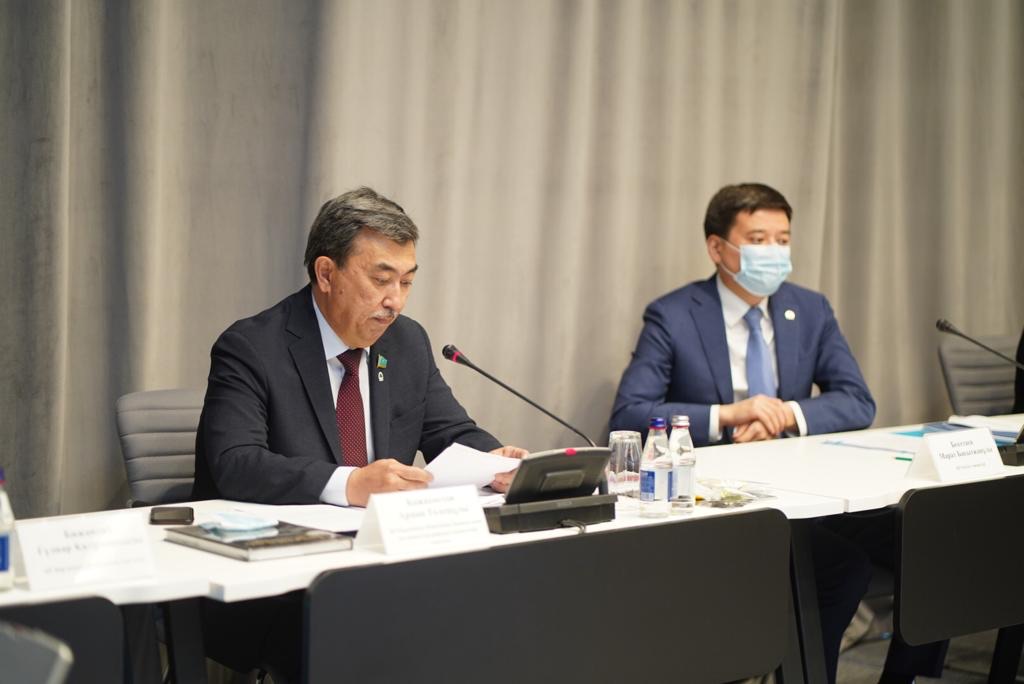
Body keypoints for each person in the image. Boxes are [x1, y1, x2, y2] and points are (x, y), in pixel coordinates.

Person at [609, 183, 940, 684]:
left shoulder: (809, 309)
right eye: (758, 239)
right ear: (717, 247)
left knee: (932, 542)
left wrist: (783, 414)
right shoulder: (673, 315)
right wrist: (729, 414)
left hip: (809, 489)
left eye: (783, 240)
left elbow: (857, 400)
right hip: (722, 502)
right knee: (841, 569)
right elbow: (631, 413)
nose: (774, 252)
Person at [192, 187, 524, 681]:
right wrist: (350, 483)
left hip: (384, 564)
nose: (395, 302)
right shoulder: (252, 347)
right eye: (381, 280)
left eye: (407, 282)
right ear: (327, 273)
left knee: (486, 607)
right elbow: (236, 463)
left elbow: (451, 431)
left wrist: (496, 463)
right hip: (277, 583)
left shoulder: (406, 342)